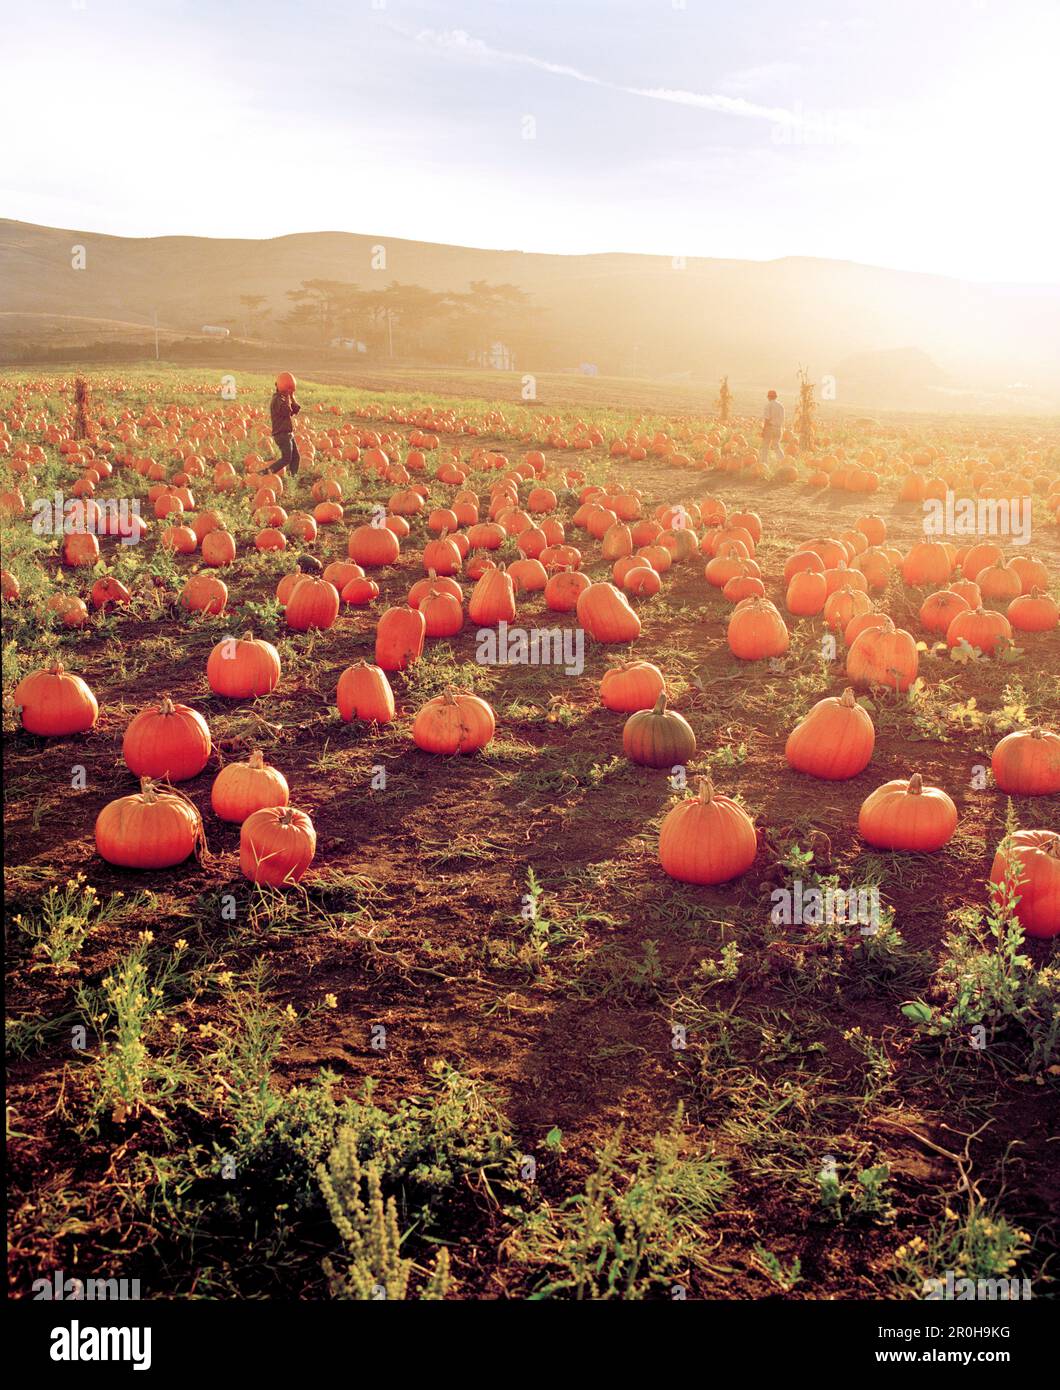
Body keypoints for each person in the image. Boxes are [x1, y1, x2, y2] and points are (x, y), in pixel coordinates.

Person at [262, 372, 301, 476]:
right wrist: (288, 398)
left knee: (296, 457)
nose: (290, 392)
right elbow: (286, 411)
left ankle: (293, 477)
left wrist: (292, 397)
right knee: (286, 458)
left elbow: (295, 410)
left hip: (288, 433)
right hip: (281, 434)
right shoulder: (277, 400)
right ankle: (266, 472)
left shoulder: (283, 398)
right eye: (289, 390)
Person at [759, 389, 785, 469]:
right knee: (776, 446)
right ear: (776, 397)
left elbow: (767, 419)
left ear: (769, 397)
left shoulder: (769, 405)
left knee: (765, 446)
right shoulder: (781, 406)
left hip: (770, 428)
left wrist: (764, 430)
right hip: (779, 428)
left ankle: (764, 465)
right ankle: (783, 462)